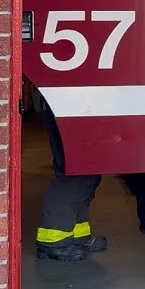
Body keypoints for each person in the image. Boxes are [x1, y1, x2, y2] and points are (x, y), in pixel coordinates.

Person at [33, 90, 106, 261]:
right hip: (65, 102)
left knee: (87, 171)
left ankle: (77, 235)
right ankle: (52, 241)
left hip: (78, 102)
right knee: (71, 171)